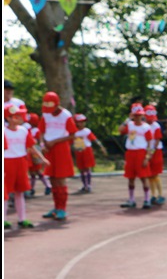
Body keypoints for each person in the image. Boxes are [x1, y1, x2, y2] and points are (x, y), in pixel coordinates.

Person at [4, 103, 48, 229]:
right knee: (5, 193)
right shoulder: (4, 131)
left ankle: (22, 218)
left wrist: (43, 159)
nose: (20, 118)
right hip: (7, 162)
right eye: (16, 116)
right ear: (8, 118)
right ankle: (4, 219)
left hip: (21, 162)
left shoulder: (23, 131)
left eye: (19, 115)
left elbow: (31, 147)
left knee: (20, 191)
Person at [39, 91, 76, 221]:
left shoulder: (66, 115)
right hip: (49, 149)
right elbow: (42, 131)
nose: (49, 111)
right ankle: (56, 207)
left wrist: (55, 141)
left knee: (60, 179)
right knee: (53, 179)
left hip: (61, 148)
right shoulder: (45, 114)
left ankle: (62, 209)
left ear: (57, 104)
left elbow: (72, 134)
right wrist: (43, 145)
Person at [118, 103, 154, 209]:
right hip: (130, 153)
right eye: (135, 115)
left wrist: (147, 157)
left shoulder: (146, 127)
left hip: (141, 153)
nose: (138, 117)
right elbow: (120, 130)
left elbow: (150, 143)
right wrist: (127, 119)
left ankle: (147, 200)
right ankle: (131, 200)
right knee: (130, 178)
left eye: (140, 115)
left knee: (144, 178)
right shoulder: (129, 125)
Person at [72, 113, 108, 193]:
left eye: (83, 122)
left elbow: (94, 139)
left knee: (87, 168)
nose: (82, 124)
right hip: (78, 150)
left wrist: (101, 147)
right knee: (81, 169)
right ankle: (84, 185)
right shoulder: (73, 132)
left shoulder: (86, 131)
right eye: (79, 122)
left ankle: (88, 185)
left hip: (87, 150)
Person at [25, 113, 52, 197]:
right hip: (29, 151)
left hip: (35, 151)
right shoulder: (26, 129)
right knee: (32, 172)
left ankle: (48, 185)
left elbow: (37, 141)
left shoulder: (36, 130)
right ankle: (31, 188)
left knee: (38, 170)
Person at [144, 105, 166, 204]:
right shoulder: (144, 125)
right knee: (149, 175)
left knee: (155, 174)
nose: (151, 120)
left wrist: (152, 152)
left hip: (156, 151)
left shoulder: (156, 126)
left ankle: (160, 195)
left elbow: (157, 140)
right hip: (147, 151)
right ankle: (153, 195)